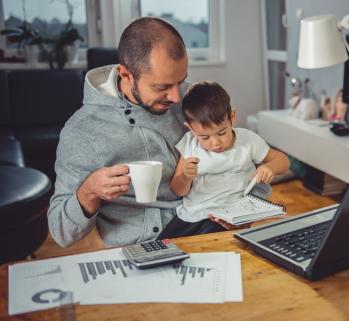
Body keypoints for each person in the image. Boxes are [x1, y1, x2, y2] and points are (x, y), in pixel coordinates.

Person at [48, 17, 190, 247]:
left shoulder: (190, 98)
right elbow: (60, 231)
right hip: (144, 244)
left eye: (180, 82)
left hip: (206, 223)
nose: (176, 97)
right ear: (126, 75)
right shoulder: (82, 130)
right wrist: (89, 192)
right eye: (162, 87)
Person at [159, 81, 290, 238]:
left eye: (222, 133)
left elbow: (283, 160)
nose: (216, 143)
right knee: (163, 244)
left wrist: (270, 168)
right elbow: (178, 190)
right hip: (194, 214)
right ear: (191, 129)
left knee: (211, 245)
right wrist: (185, 177)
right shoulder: (190, 144)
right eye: (205, 137)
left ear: (232, 117)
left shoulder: (248, 140)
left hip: (232, 213)